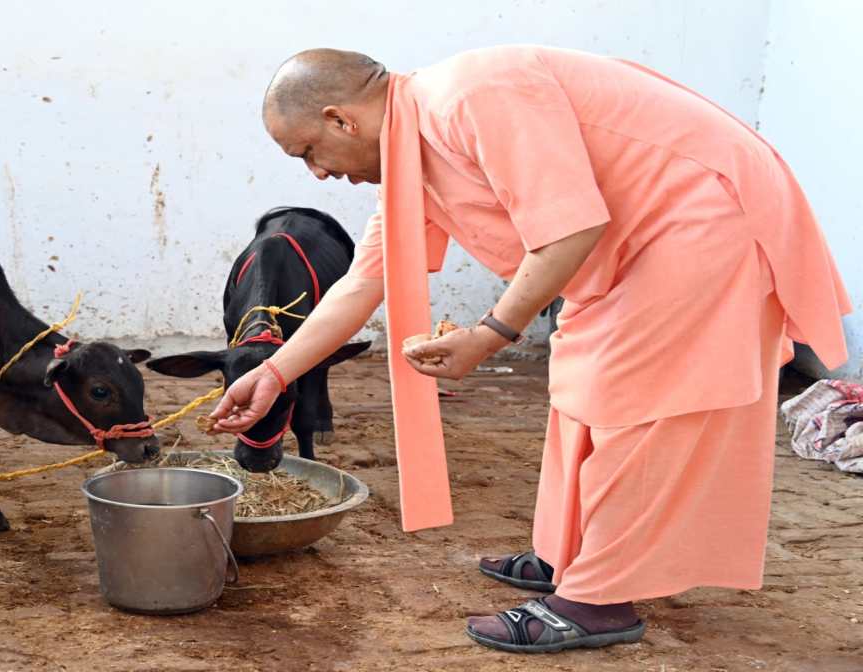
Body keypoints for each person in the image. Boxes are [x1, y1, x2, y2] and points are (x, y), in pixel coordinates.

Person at [208, 46, 851, 653]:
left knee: (637, 401)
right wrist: (275, 371)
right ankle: (568, 553)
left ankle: (600, 599)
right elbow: (363, 282)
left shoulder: (469, 98)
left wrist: (491, 334)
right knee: (581, 382)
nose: (320, 173)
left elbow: (572, 225)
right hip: (644, 237)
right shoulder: (414, 154)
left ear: (340, 118)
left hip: (705, 218)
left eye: (310, 152)